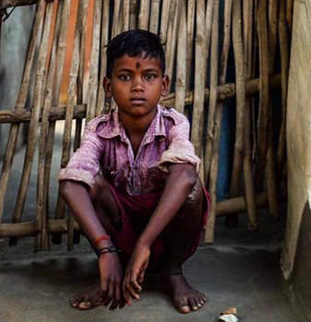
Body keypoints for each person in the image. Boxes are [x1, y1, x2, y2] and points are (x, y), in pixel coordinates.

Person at [59, 29, 210, 314]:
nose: (137, 86)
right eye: (125, 77)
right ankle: (113, 267)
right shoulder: (99, 130)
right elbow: (70, 185)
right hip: (121, 229)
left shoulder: (174, 124)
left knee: (190, 189)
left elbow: (187, 175)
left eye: (149, 76)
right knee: (88, 184)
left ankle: (172, 272)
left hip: (163, 230)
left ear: (164, 84)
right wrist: (106, 251)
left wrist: (144, 243)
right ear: (108, 85)